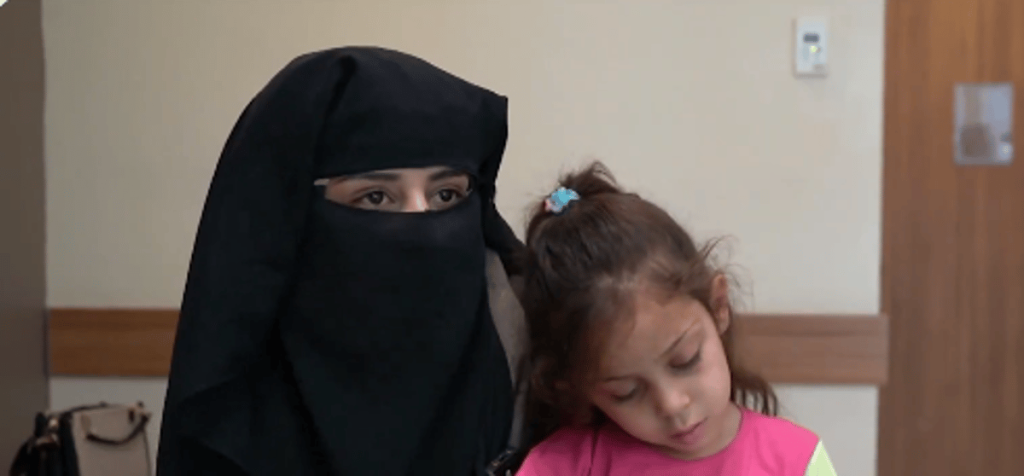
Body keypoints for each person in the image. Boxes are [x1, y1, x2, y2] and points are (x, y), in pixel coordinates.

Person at [156, 46, 528, 476]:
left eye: (446, 194)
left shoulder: (526, 357)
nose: (422, 222)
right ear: (292, 217)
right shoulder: (233, 411)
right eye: (376, 197)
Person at [512, 162, 838, 475]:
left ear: (718, 306)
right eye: (626, 392)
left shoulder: (795, 461)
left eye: (686, 361)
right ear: (576, 387)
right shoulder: (563, 465)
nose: (672, 405)